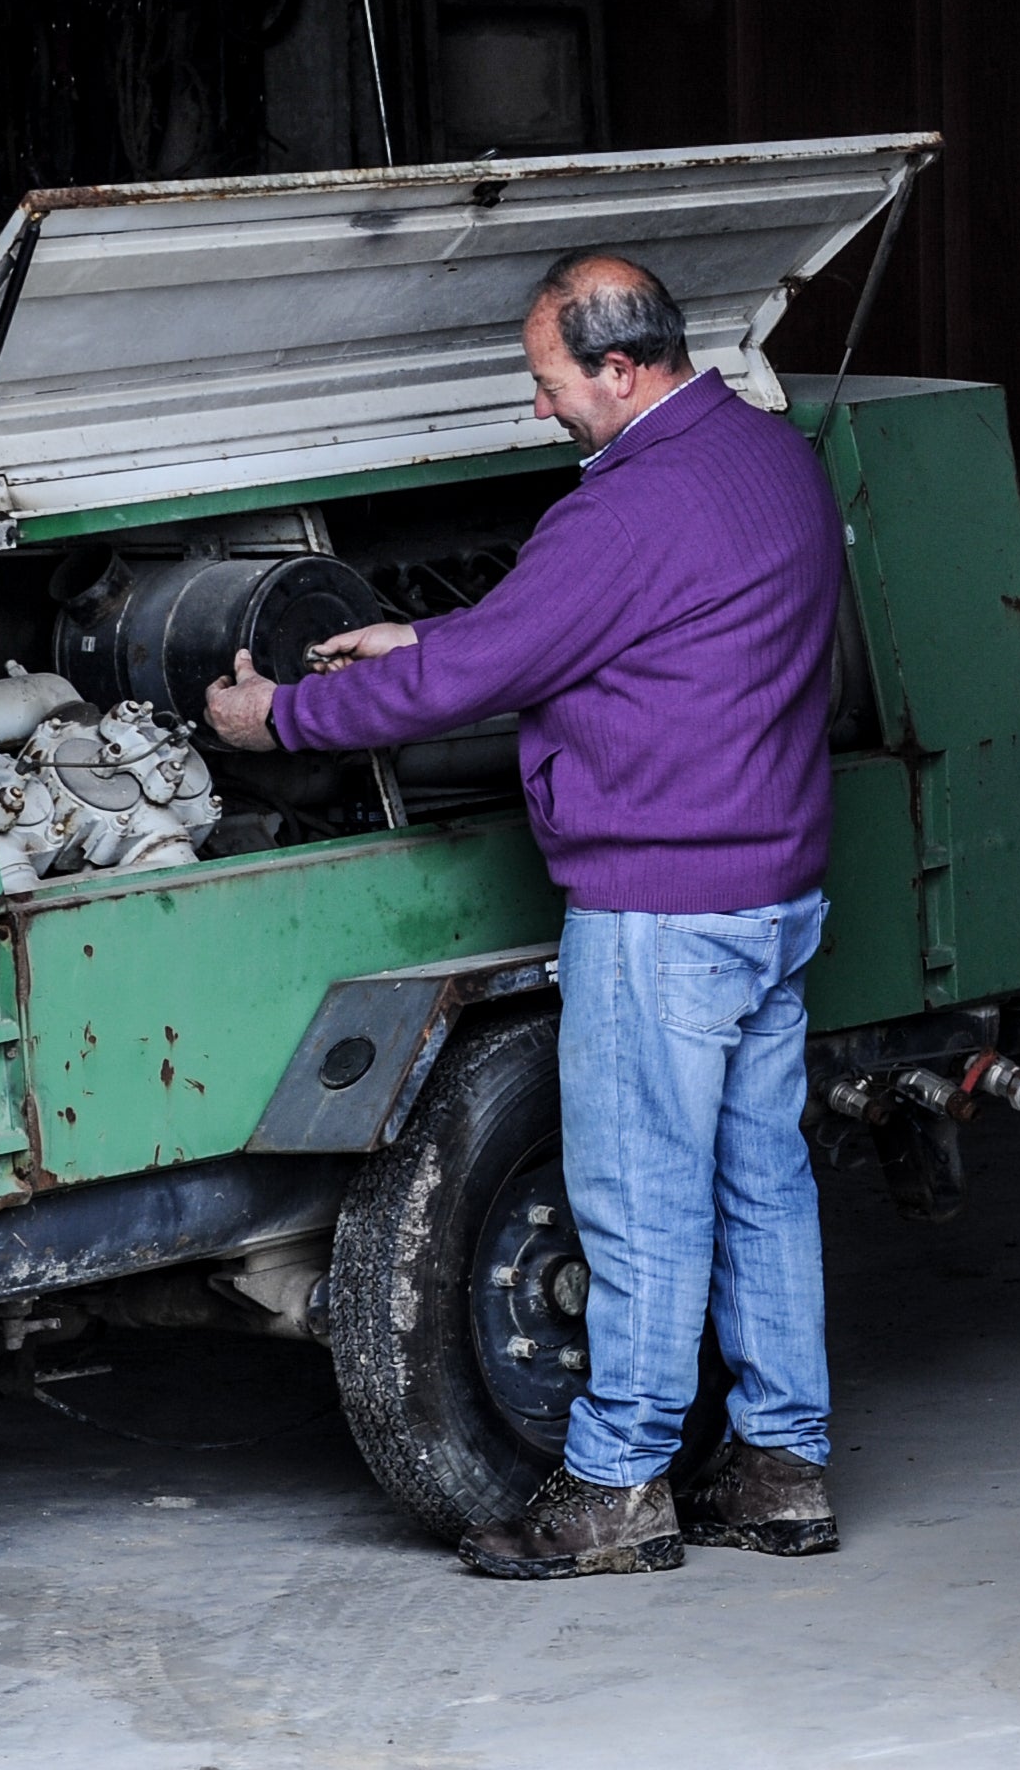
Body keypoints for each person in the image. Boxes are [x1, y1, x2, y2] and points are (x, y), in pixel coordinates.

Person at [206, 251, 845, 1579]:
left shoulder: (619, 511)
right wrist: (429, 641)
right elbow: (616, 631)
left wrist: (284, 715)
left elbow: (494, 669)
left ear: (619, 369)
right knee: (760, 1182)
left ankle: (615, 1487)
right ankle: (783, 1467)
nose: (541, 407)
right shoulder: (768, 458)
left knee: (637, 1194)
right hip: (774, 890)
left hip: (661, 905)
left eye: (548, 383)